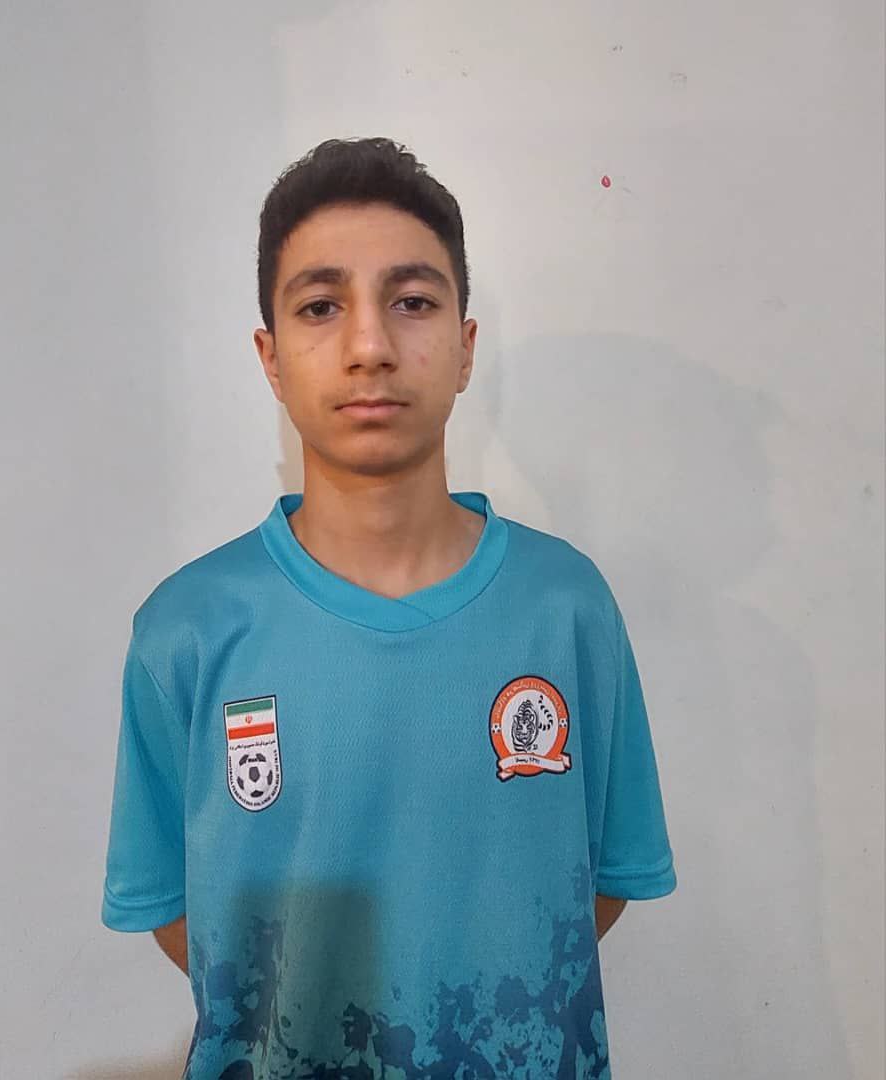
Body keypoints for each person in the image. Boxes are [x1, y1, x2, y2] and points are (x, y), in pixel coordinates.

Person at [101, 136, 677, 1079]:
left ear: (464, 347)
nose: (369, 346)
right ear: (270, 357)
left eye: (411, 302)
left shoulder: (566, 607)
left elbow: (595, 887)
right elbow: (178, 913)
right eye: (320, 307)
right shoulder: (188, 629)